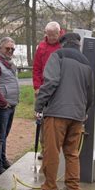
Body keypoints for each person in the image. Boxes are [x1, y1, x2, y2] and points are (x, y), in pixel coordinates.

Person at [34, 33, 93, 190]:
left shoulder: (57, 55)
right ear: (78, 45)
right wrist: (84, 112)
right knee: (72, 153)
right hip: (78, 115)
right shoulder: (86, 62)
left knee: (51, 152)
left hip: (57, 113)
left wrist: (39, 106)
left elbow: (50, 82)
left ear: (63, 44)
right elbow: (90, 94)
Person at [0, 37, 20, 175]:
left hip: (10, 104)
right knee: (0, 135)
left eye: (12, 49)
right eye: (7, 48)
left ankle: (2, 158)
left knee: (4, 134)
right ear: (0, 47)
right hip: (2, 105)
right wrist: (3, 102)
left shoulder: (9, 63)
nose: (10, 51)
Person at [32, 22, 63, 160]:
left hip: (60, 89)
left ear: (59, 32)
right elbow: (37, 68)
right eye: (48, 35)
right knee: (43, 120)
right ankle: (44, 149)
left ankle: (58, 150)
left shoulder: (63, 45)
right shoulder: (42, 47)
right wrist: (37, 87)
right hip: (44, 89)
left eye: (54, 35)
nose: (51, 38)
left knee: (59, 120)